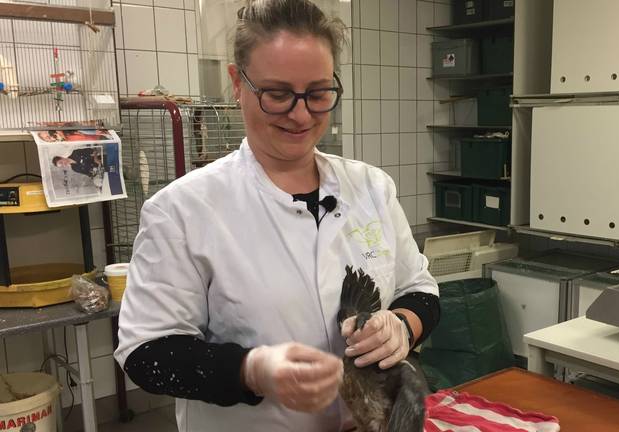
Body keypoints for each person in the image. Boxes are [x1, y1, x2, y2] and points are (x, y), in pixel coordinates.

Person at [113, 1, 441, 431]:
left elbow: (421, 291)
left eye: (319, 93)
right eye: (278, 94)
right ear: (237, 82)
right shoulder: (183, 209)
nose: (301, 113)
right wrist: (251, 370)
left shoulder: (372, 189)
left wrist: (400, 326)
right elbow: (146, 354)